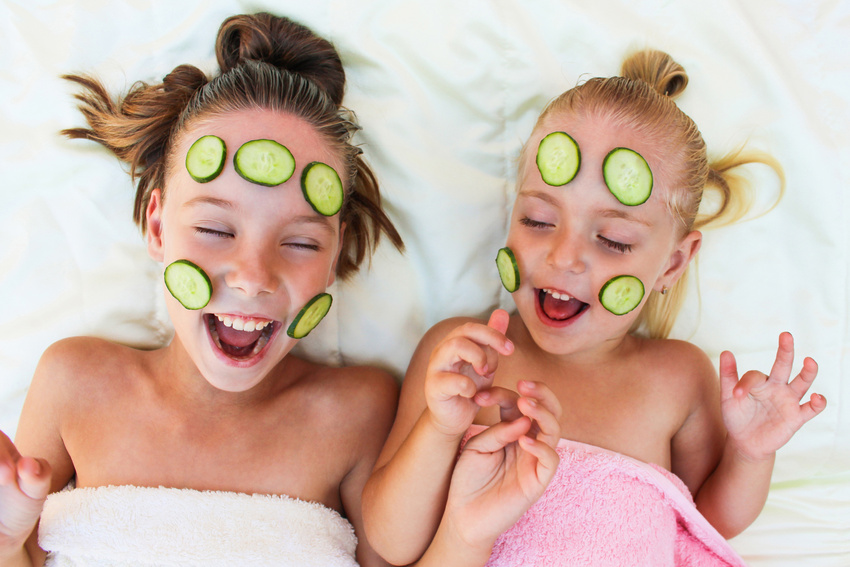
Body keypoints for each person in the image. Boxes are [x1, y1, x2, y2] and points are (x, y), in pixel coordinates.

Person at [362, 49, 826, 566]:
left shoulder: (677, 377)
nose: (564, 257)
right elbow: (388, 542)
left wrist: (750, 454)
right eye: (538, 220)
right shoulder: (460, 359)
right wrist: (441, 427)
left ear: (673, 263)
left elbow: (706, 523)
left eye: (612, 239)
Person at [0, 12, 403, 567]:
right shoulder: (75, 383)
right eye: (216, 230)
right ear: (158, 228)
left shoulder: (358, 412)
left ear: (334, 258)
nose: (253, 277)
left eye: (302, 244)